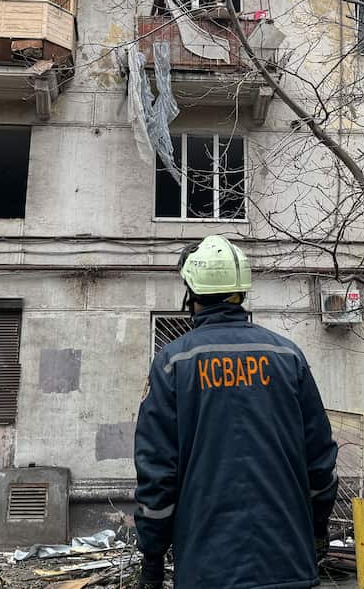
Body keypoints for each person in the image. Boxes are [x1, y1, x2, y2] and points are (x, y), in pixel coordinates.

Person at [133, 235, 339, 589]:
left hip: (207, 569)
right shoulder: (288, 357)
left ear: (192, 294)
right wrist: (317, 529)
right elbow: (320, 461)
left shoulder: (174, 363)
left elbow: (156, 472)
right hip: (289, 562)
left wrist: (152, 558)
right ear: (241, 293)